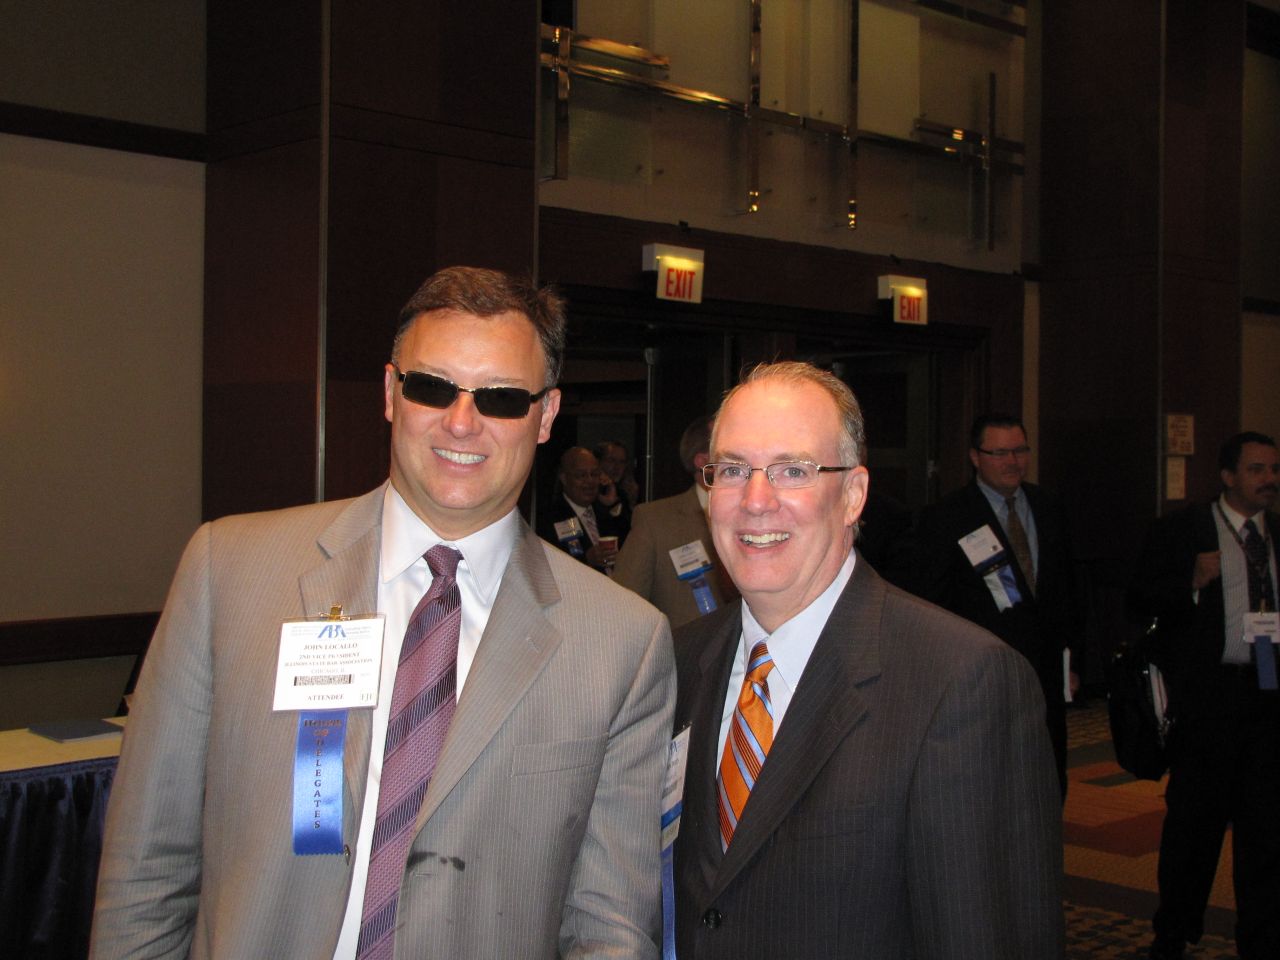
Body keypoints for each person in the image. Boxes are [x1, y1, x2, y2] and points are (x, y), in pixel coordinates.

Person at [90, 266, 675, 960]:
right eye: (432, 387)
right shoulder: (230, 572)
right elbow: (147, 863)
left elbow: (609, 925)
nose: (462, 422)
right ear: (391, 393)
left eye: (500, 398)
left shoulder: (621, 641)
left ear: (546, 416)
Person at [672, 362, 1062, 960]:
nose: (755, 500)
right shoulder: (679, 658)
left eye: (792, 471)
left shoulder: (961, 681)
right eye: (732, 470)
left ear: (853, 495)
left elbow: (985, 933)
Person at [1135, 432, 1280, 960]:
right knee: (1194, 829)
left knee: (1265, 831)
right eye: (1256, 469)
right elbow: (1140, 598)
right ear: (1227, 476)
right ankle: (1173, 933)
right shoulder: (1184, 530)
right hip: (1208, 699)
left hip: (1267, 696)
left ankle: (1261, 938)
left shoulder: (1276, 533)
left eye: (1274, 470)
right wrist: (1191, 582)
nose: (1269, 480)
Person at [913, 413, 1078, 796]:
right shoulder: (948, 517)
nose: (1012, 461)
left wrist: (1072, 658)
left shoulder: (1048, 506)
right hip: (982, 673)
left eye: (1020, 450)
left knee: (1047, 777)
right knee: (990, 781)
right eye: (1000, 453)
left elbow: (1068, 588)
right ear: (975, 457)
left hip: (1045, 669)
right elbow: (932, 602)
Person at [613, 415, 737, 627]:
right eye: (729, 449)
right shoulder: (655, 521)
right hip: (686, 645)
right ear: (703, 462)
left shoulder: (758, 513)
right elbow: (622, 605)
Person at [537, 446, 630, 570]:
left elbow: (630, 544)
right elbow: (555, 563)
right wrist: (587, 559)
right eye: (581, 475)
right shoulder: (554, 517)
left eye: (594, 474)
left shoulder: (604, 511)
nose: (590, 481)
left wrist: (612, 503)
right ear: (564, 478)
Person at [594, 439, 639, 517]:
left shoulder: (624, 492)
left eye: (622, 462)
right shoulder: (591, 491)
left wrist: (632, 502)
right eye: (611, 460)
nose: (617, 467)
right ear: (598, 462)